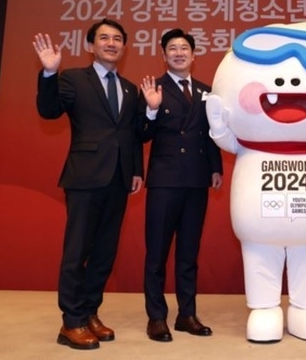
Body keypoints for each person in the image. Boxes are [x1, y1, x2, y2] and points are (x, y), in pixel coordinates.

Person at [33, 18, 144, 350]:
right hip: (85, 176)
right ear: (91, 45)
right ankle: (72, 322)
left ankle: (90, 311)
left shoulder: (129, 88)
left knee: (104, 252)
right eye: (104, 38)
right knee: (77, 250)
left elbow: (132, 134)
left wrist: (136, 169)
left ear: (124, 47)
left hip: (120, 177)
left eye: (117, 39)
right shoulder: (72, 79)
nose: (111, 43)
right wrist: (50, 73)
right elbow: (48, 110)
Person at [138, 28, 223, 343]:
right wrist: (151, 108)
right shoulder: (152, 88)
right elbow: (142, 134)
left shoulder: (206, 91)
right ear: (163, 55)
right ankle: (156, 317)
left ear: (193, 54)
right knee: (157, 253)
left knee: (189, 253)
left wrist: (215, 168)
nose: (178, 52)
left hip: (196, 181)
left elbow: (210, 134)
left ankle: (187, 314)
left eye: (184, 47)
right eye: (171, 48)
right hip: (164, 181)